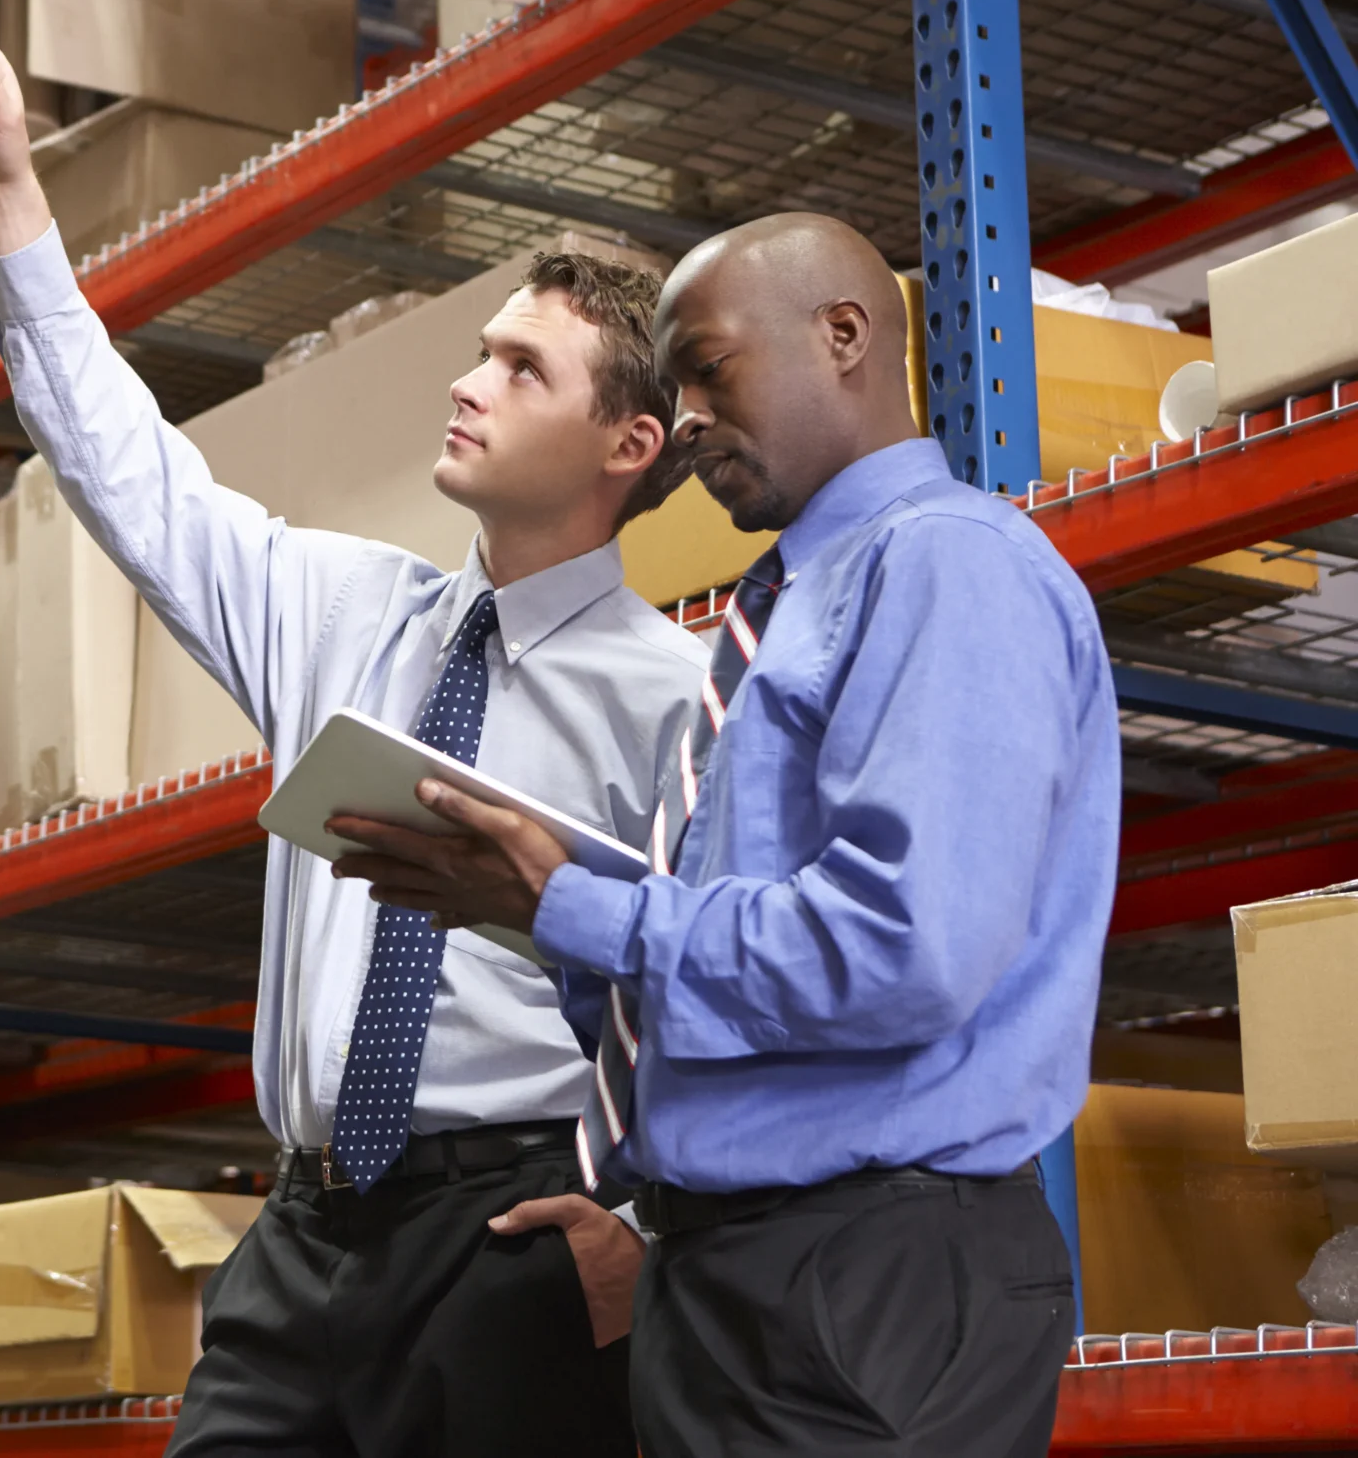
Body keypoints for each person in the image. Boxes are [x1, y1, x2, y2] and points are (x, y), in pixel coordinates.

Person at [0, 0, 708, 1458]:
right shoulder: (345, 613)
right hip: (304, 1225)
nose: (468, 383)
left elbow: (733, 999)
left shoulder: (679, 704)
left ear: (629, 440)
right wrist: (16, 199)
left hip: (517, 1234)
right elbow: (129, 475)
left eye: (520, 366)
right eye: (479, 349)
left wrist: (648, 1226)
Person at [351, 212, 1114, 1457]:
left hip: (868, 1275)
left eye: (708, 368)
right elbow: (733, 989)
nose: (687, 415)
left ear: (844, 335)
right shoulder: (775, 619)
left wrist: (579, 906)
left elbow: (903, 949)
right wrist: (529, 909)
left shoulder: (942, 568)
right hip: (748, 1271)